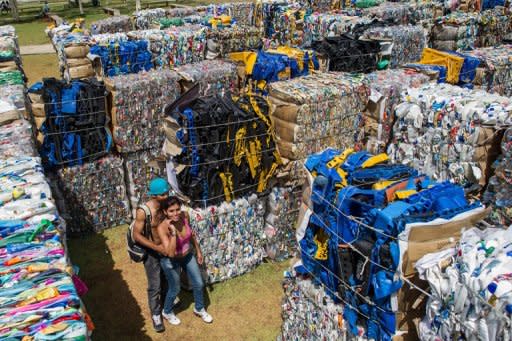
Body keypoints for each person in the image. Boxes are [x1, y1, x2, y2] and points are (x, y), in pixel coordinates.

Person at [157, 196, 213, 325]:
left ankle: (199, 308)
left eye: (177, 209)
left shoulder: (184, 216)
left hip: (187, 256)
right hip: (171, 261)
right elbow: (170, 253)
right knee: (174, 289)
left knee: (199, 283)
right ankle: (167, 311)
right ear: (165, 212)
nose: (175, 213)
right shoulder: (162, 228)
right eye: (171, 211)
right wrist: (173, 234)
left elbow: (191, 235)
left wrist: (198, 251)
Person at [132, 177, 171, 333]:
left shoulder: (166, 205)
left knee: (167, 277)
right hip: (151, 252)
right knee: (154, 285)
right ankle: (156, 314)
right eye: (163, 194)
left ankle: (167, 303)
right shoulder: (144, 211)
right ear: (154, 195)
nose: (167, 196)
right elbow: (137, 235)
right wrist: (156, 247)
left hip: (165, 248)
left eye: (167, 192)